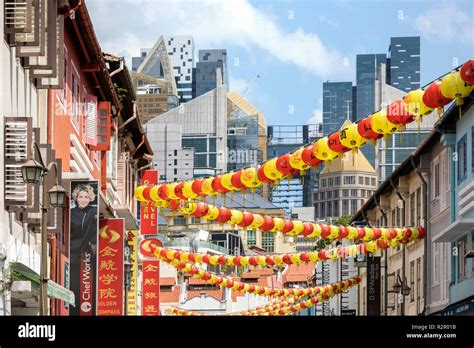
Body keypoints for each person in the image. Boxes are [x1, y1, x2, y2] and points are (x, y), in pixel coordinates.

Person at [69, 183, 98, 315]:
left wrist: (93, 250)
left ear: (90, 198)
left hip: (85, 255)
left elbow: (93, 232)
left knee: (85, 286)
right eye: (80, 196)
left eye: (86, 197)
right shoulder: (71, 213)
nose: (83, 199)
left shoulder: (92, 212)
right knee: (73, 284)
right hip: (71, 253)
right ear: (76, 197)